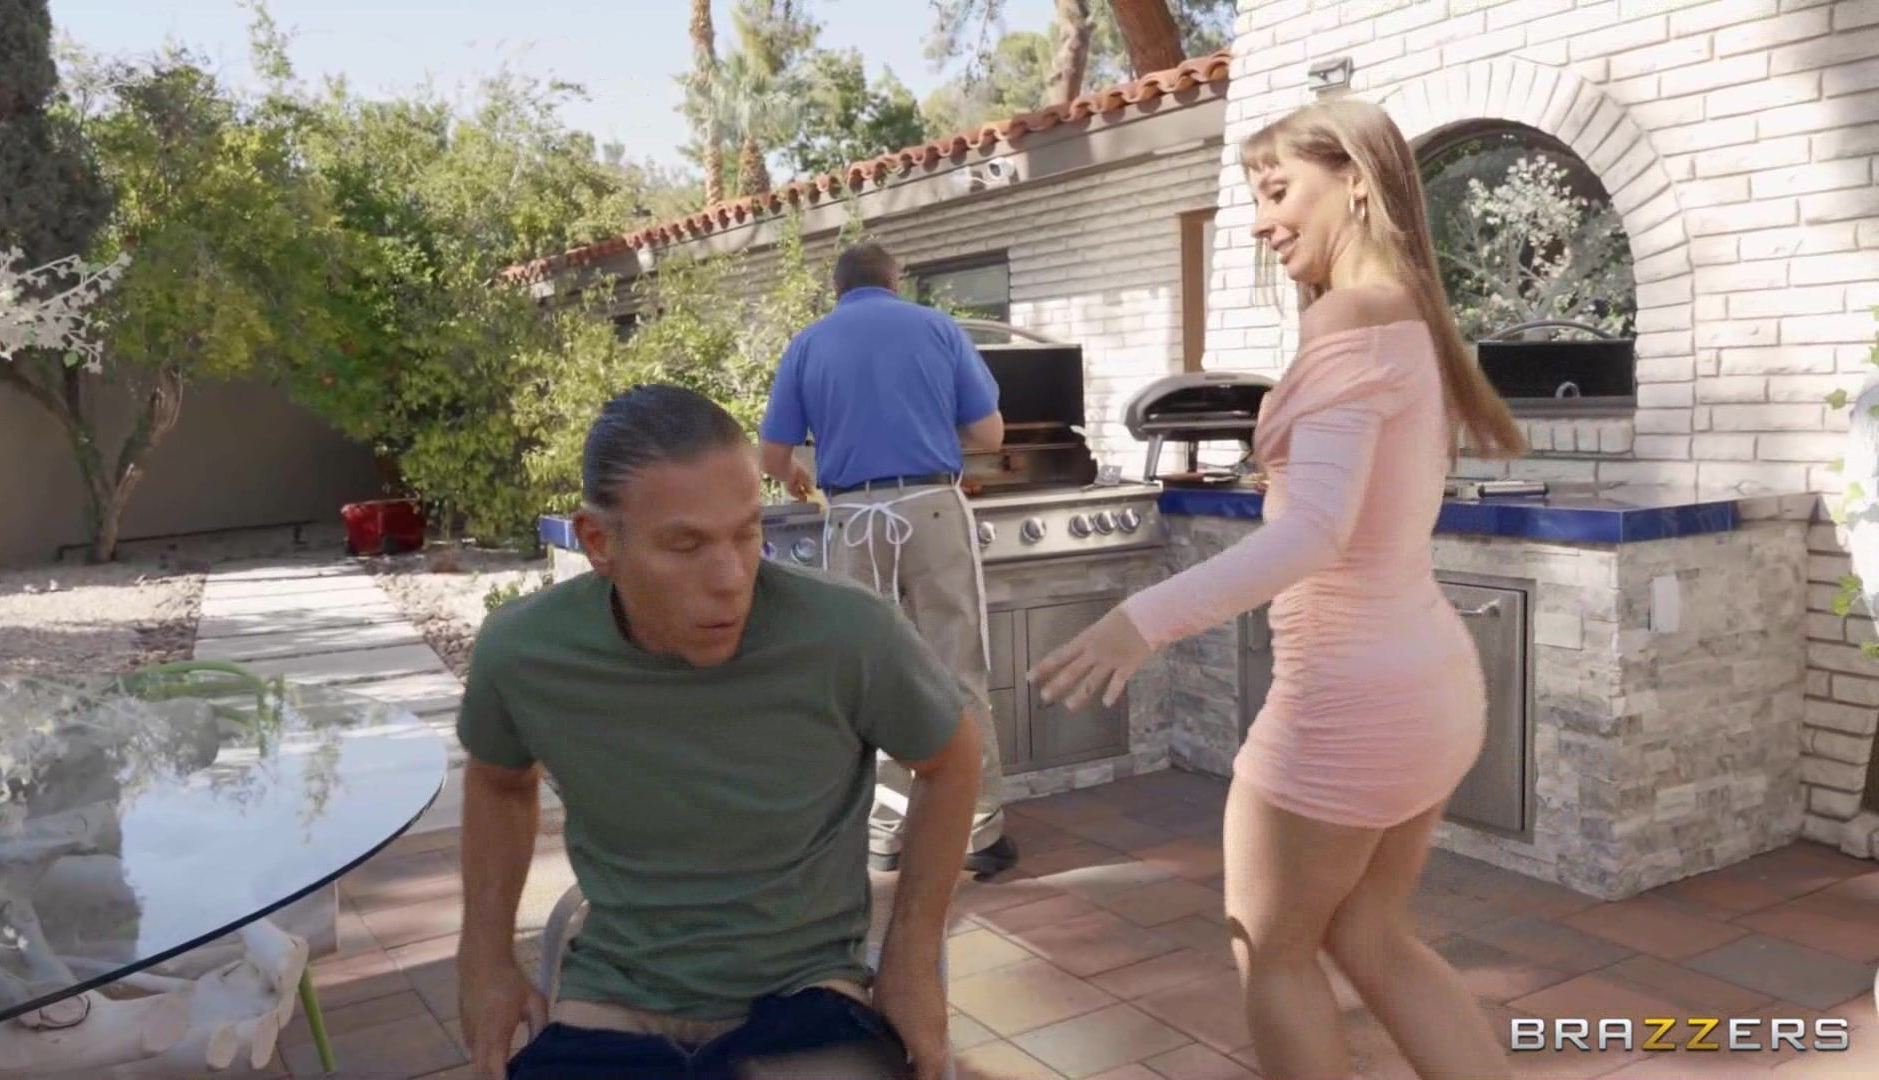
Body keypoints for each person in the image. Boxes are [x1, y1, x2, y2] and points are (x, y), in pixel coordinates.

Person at [1028, 98, 1523, 1080]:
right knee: (1372, 935)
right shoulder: (1412, 322)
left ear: (1355, 183)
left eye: (1277, 191)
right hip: (1428, 687)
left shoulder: (1349, 318)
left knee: (1274, 950)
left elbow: (1313, 532)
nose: (1261, 222)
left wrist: (1140, 620)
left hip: (1349, 704)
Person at [454, 384, 981, 1080]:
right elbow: (498, 782)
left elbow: (952, 759)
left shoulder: (847, 634)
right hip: (616, 995)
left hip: (805, 993)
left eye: (747, 532)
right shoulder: (525, 652)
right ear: (598, 542)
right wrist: (485, 958)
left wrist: (910, 957)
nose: (732, 578)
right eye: (686, 545)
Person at [758, 242, 1017, 879]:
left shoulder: (808, 343)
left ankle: (882, 833)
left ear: (837, 289)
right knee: (956, 667)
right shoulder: (939, 329)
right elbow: (991, 435)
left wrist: (795, 474)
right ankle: (978, 831)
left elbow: (771, 456)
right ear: (895, 282)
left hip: (852, 520)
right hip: (933, 509)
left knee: (866, 673)